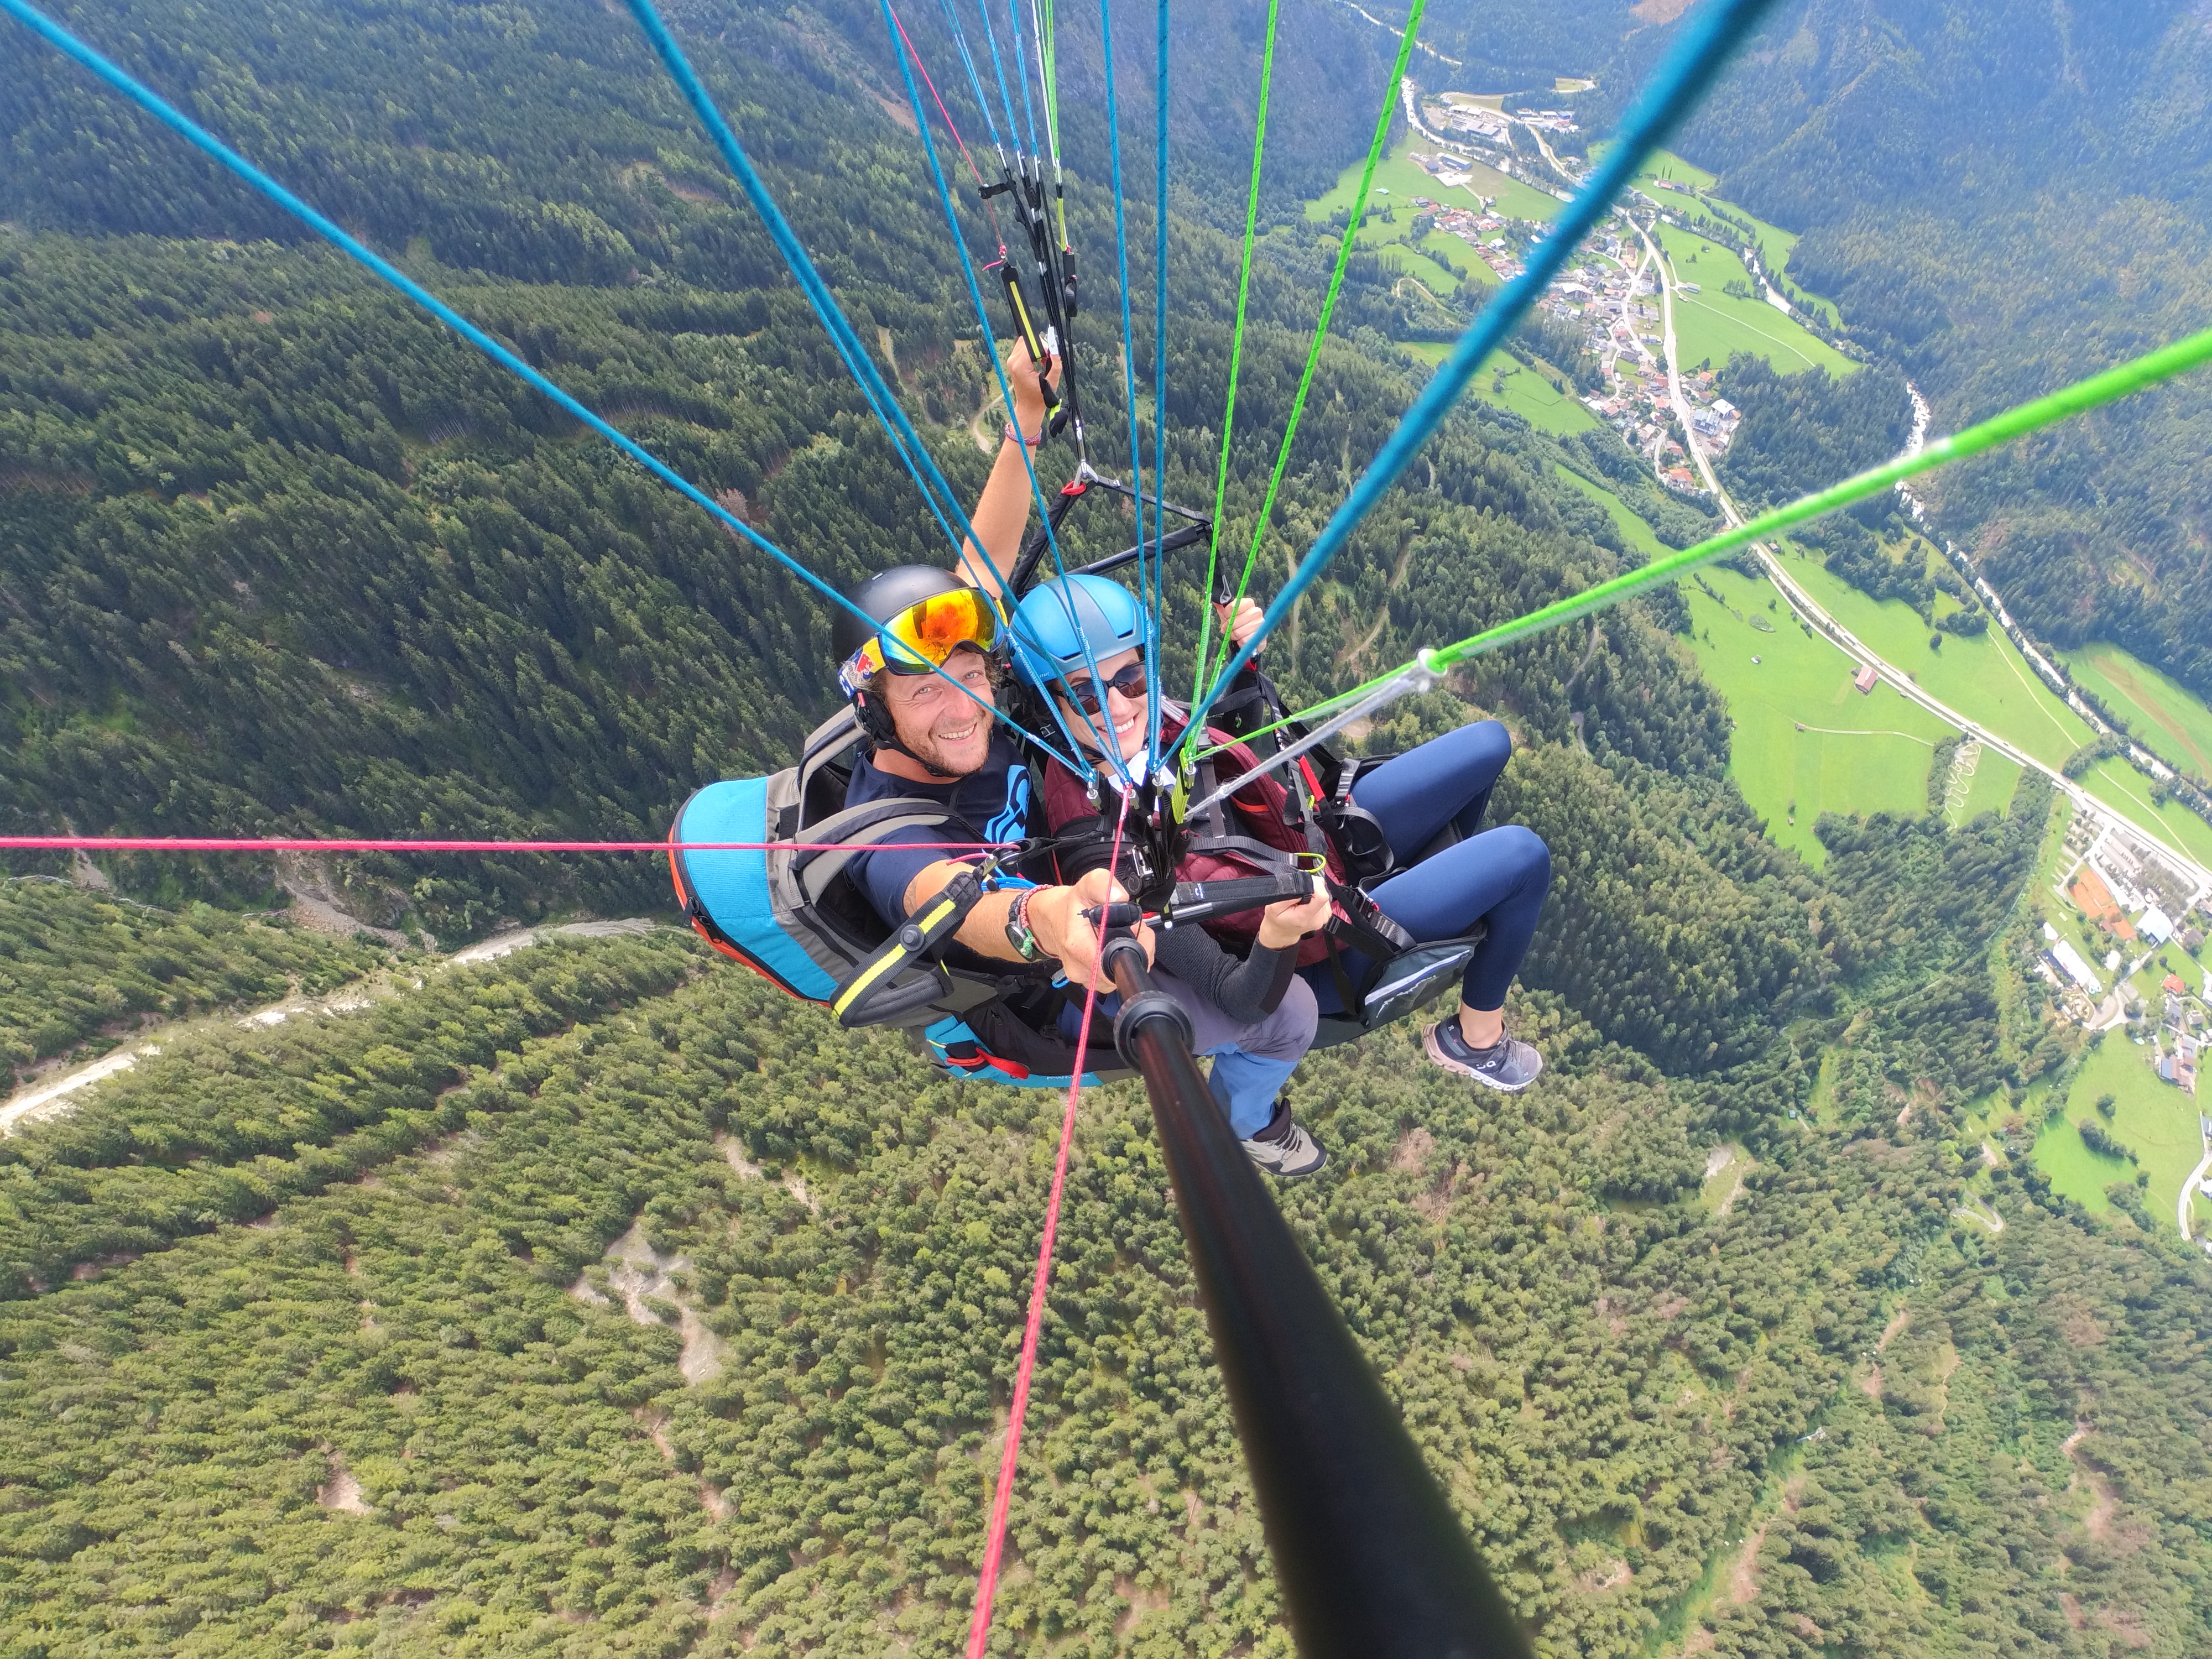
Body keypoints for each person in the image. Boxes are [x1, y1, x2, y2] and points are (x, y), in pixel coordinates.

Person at [831, 344, 1330, 1177]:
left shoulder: (980, 717)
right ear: (876, 714)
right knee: (1289, 1016)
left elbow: (981, 566)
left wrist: (1026, 412)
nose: (963, 708)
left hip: (1090, 864)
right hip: (1052, 987)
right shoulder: (886, 833)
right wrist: (1045, 919)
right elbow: (942, 898)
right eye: (924, 694)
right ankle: (1245, 1129)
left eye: (968, 676)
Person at [1016, 572, 1553, 1094]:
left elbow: (1233, 753)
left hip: (1312, 841)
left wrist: (1244, 663)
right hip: (1318, 941)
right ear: (1050, 710)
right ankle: (1476, 1039)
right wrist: (1277, 936)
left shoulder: (1147, 725)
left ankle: (1440, 890)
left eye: (1129, 679)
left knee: (1489, 743)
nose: (1117, 706)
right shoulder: (1106, 859)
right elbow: (1239, 999)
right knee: (1521, 857)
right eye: (1085, 696)